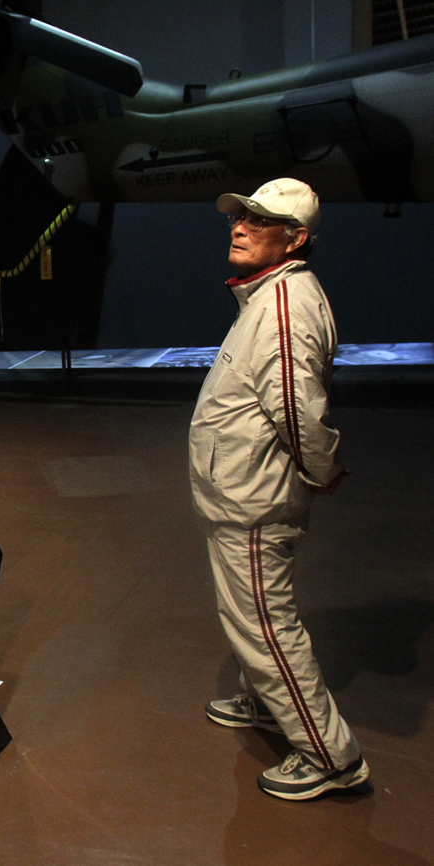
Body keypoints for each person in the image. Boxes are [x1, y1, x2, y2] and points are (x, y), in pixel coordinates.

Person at [191, 178, 367, 800]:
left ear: (294, 239)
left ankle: (329, 756)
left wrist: (322, 472)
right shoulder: (266, 297)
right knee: (250, 618)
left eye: (257, 220)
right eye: (238, 216)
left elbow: (300, 411)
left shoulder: (285, 307)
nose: (238, 226)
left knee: (267, 625)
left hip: (254, 503)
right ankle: (266, 702)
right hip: (239, 493)